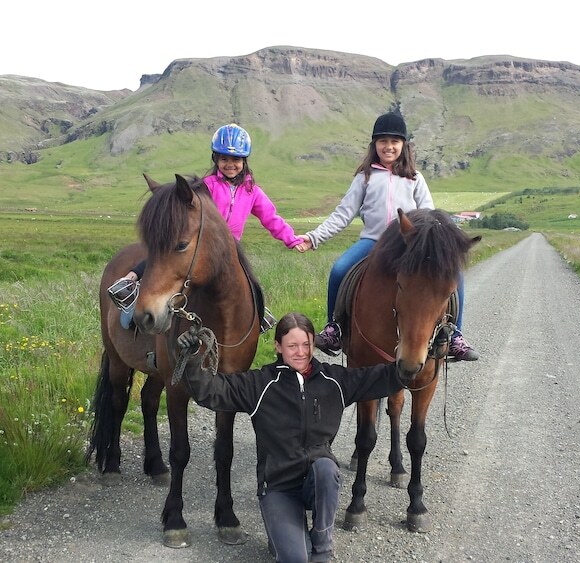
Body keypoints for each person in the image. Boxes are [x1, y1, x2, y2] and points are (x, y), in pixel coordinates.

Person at [176, 312, 403, 563]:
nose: (300, 352)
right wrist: (192, 357)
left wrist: (420, 355)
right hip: (278, 487)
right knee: (295, 558)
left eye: (306, 344)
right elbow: (210, 392)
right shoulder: (260, 384)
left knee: (326, 469)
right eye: (292, 346)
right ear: (278, 347)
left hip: (316, 482)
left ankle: (322, 547)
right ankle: (285, 534)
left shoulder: (333, 380)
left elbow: (384, 377)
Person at [298, 112, 478, 361]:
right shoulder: (364, 177)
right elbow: (343, 214)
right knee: (339, 269)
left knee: (455, 274)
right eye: (383, 141)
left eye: (395, 141)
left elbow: (429, 215)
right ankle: (334, 328)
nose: (388, 146)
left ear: (404, 145)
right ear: (375, 145)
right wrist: (313, 238)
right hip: (373, 242)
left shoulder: (415, 178)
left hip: (409, 247)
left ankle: (455, 334)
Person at [109, 123, 310, 329]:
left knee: (252, 285)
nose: (230, 164)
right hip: (205, 248)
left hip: (231, 252)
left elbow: (271, 218)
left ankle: (256, 318)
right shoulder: (206, 187)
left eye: (236, 159)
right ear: (215, 159)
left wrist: (292, 239)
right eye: (224, 159)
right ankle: (135, 288)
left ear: (244, 161)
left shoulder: (252, 192)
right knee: (167, 256)